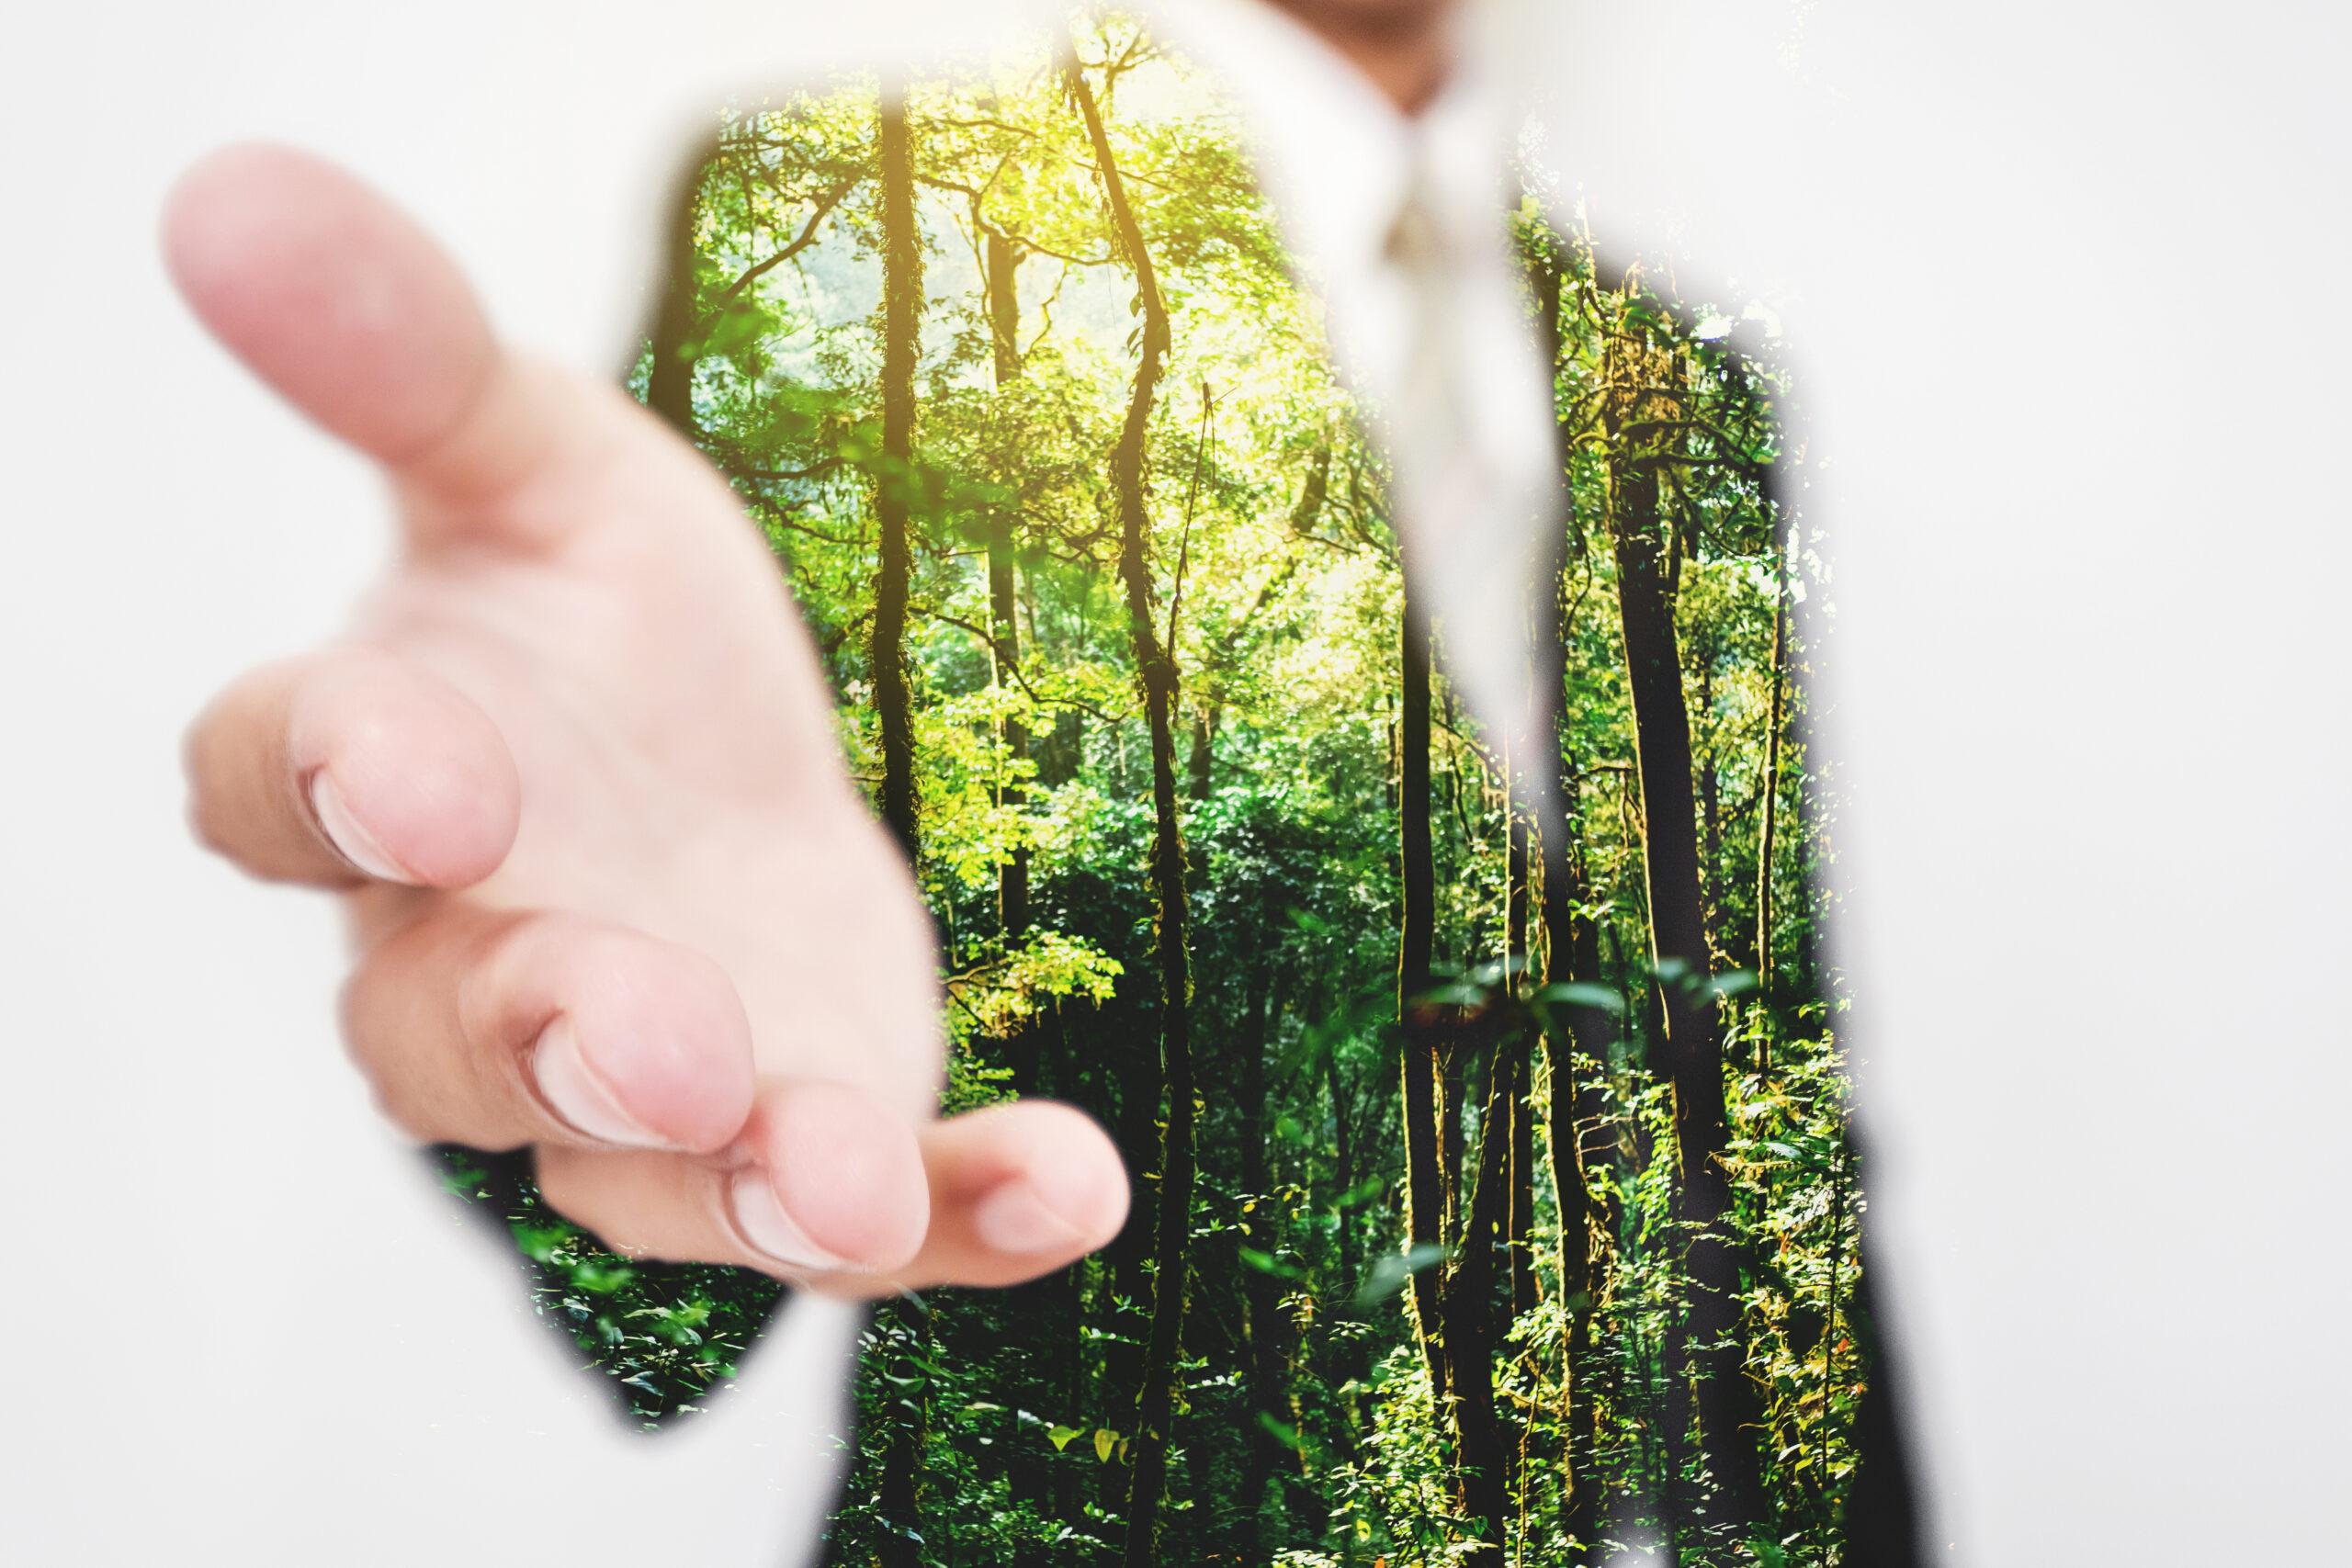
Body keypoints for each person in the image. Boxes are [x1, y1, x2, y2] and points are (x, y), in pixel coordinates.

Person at [164, 0, 1912, 1562]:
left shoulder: (1695, 385)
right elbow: (686, 1001)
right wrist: (616, 1068)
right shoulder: (858, 206)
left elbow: (1765, 1088)